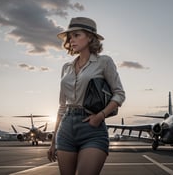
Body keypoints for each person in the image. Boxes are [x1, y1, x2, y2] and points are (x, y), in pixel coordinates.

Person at [47, 17, 125, 175]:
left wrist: (100, 116)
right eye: (70, 37)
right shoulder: (66, 67)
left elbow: (119, 94)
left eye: (77, 35)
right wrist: (53, 140)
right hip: (66, 128)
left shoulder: (104, 62)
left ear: (90, 37)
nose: (71, 40)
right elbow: (62, 107)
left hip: (92, 128)